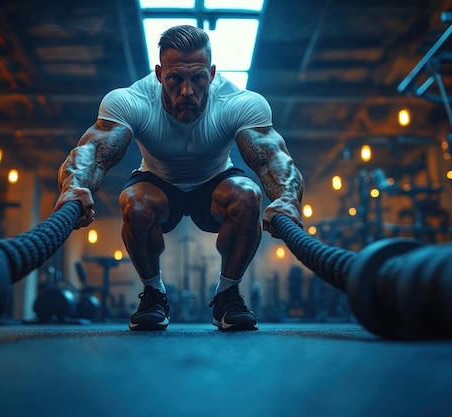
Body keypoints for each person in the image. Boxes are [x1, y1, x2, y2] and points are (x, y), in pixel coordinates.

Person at [54, 25, 305, 331]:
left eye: (198, 78)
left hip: (215, 180)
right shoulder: (132, 100)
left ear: (211, 74)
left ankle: (228, 294)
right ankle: (153, 293)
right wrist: (74, 187)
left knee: (248, 195)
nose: (187, 91)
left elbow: (272, 158)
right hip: (157, 180)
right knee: (133, 203)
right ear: (160, 74)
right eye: (176, 79)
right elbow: (93, 152)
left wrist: (288, 198)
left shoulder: (238, 103)